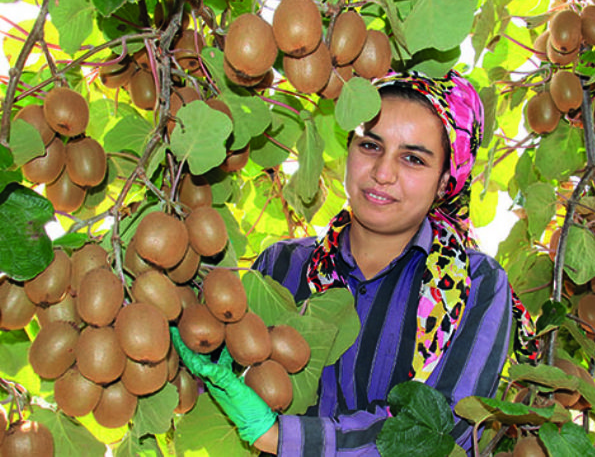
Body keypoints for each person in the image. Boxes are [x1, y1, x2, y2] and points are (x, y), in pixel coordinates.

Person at [171, 69, 535, 456]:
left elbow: (442, 427)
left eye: (412, 159)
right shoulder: (280, 267)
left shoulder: (476, 282)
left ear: (446, 181)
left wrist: (278, 437)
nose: (382, 173)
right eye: (370, 146)